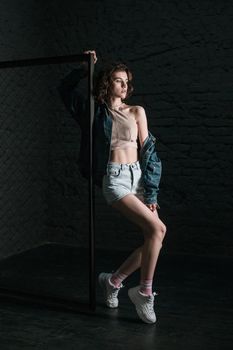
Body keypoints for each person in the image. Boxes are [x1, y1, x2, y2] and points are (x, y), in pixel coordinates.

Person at [58, 50, 167, 324]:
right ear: (108, 83)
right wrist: (86, 68)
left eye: (127, 82)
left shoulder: (137, 111)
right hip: (115, 179)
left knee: (157, 235)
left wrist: (151, 191)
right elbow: (64, 89)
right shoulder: (94, 111)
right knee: (155, 229)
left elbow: (150, 152)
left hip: (138, 177)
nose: (125, 86)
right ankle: (144, 291)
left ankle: (114, 280)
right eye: (119, 81)